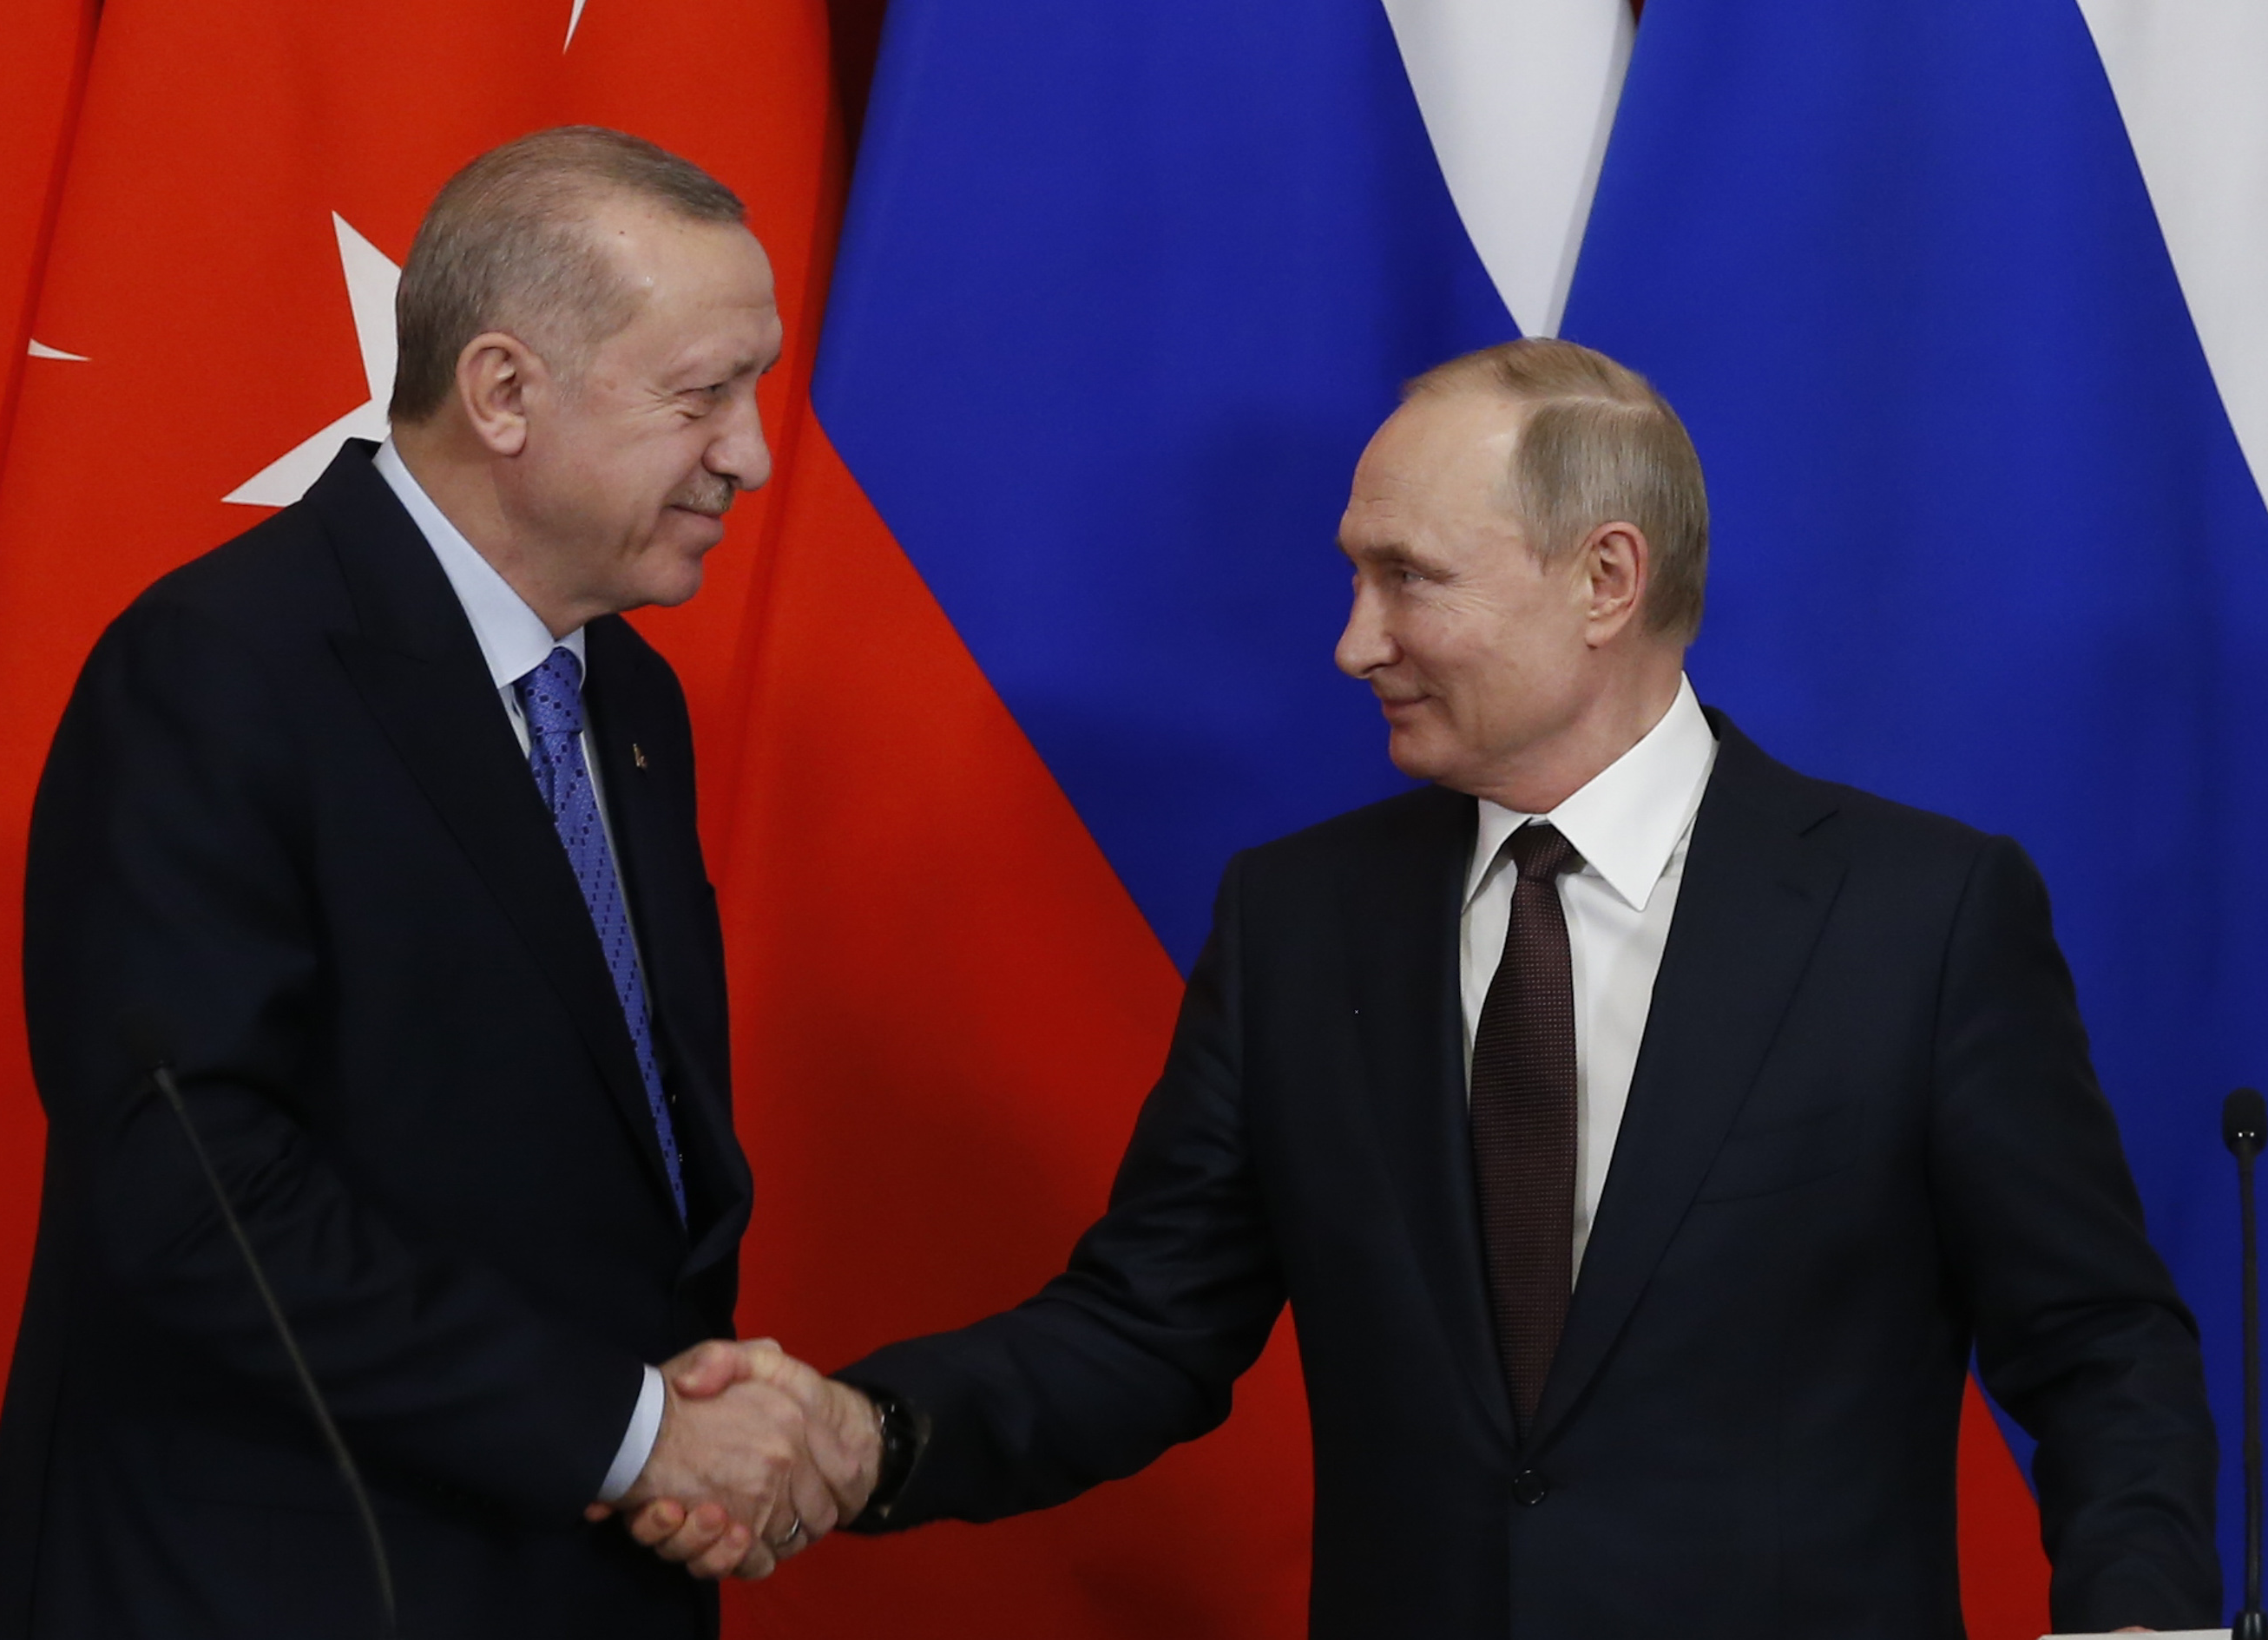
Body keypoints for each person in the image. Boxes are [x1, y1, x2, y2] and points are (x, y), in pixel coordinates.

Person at [640, 339, 2222, 1636]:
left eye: (1409, 580)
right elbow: (1145, 1330)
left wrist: (2135, 1624)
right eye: (1355, 575)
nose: (1353, 641)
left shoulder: (1919, 916)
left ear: (1606, 578)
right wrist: (863, 1437)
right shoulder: (1301, 919)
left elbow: (2097, 1344)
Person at [0, 128, 866, 1640]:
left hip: (567, 1568)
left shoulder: (629, 700)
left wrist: (687, 1416)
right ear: (504, 392)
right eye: (702, 394)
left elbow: (611, 1163)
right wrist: (630, 1429)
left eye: (756, 387)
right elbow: (195, 1200)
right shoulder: (220, 671)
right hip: (280, 1579)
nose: (753, 452)